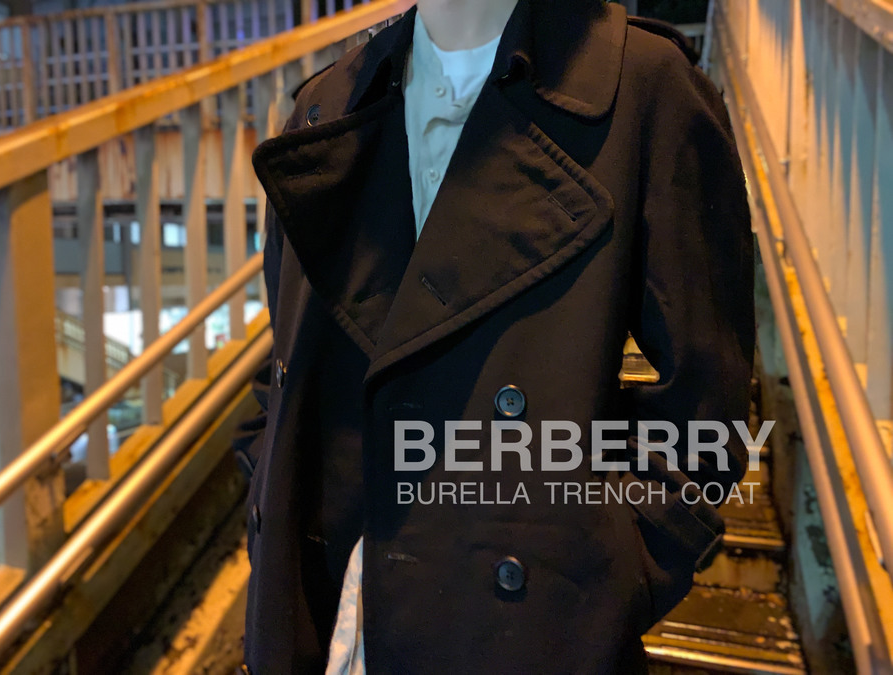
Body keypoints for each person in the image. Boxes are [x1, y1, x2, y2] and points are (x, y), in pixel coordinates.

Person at [236, 0, 754, 672]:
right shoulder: (327, 103)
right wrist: (266, 495)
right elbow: (285, 364)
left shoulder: (644, 91)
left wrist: (598, 576)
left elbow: (704, 409)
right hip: (323, 614)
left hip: (519, 630)